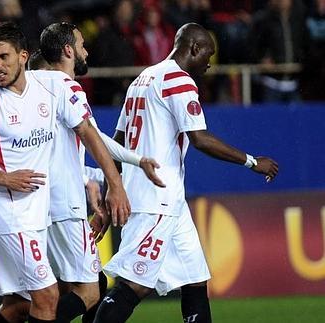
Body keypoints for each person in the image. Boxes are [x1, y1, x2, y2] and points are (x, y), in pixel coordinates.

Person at [93, 23, 279, 323]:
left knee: (195, 280)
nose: (210, 61)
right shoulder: (179, 81)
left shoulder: (143, 78)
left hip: (169, 202)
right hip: (156, 199)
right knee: (134, 284)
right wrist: (251, 161)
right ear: (194, 48)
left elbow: (116, 143)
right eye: (209, 53)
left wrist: (108, 194)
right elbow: (200, 138)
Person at [0, 21, 130, 323]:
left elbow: (87, 132)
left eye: (3, 57)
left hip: (38, 216)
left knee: (18, 307)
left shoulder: (46, 92)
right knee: (49, 297)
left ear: (23, 55)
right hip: (9, 215)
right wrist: (4, 178)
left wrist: (111, 182)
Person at [37, 22, 164, 323]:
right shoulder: (68, 87)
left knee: (77, 287)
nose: (86, 51)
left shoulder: (36, 87)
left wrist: (135, 159)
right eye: (81, 45)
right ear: (68, 50)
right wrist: (114, 184)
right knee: (90, 291)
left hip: (41, 204)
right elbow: (90, 135)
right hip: (65, 205)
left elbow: (90, 133)